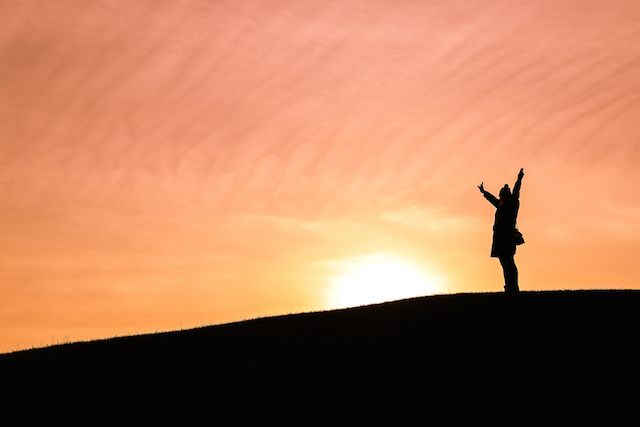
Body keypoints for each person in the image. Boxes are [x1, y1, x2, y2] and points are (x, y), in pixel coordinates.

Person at [478, 168, 524, 293]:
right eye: (504, 189)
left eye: (507, 189)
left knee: (509, 263)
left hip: (507, 238)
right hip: (500, 238)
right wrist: (484, 192)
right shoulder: (501, 205)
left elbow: (516, 190)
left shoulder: (512, 203)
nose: (506, 187)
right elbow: (492, 200)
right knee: (505, 263)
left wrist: (519, 179)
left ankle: (512, 287)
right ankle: (509, 286)